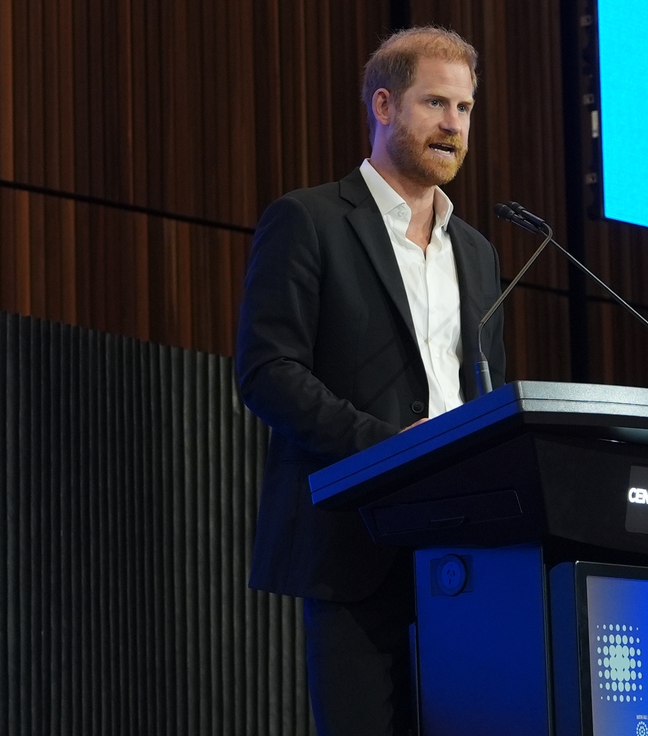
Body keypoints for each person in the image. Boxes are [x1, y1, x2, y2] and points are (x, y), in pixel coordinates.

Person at [235, 26, 506, 736]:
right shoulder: (310, 220)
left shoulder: (477, 252)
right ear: (383, 106)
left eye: (466, 108)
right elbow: (268, 371)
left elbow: (477, 390)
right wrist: (390, 452)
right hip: (356, 547)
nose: (453, 125)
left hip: (464, 554)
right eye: (435, 104)